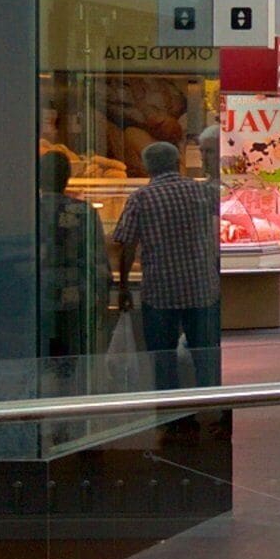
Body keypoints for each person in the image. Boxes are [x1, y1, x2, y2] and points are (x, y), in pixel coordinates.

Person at [111, 139, 220, 396]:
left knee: (163, 359)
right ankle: (211, 407)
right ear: (177, 163)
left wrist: (123, 286)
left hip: (160, 292)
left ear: (147, 168)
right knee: (206, 356)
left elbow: (125, 244)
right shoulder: (202, 192)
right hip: (202, 288)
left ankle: (174, 418)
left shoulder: (141, 198)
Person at [36, 149, 106, 392]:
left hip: (39, 296)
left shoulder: (28, 212)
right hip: (75, 296)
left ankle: (45, 410)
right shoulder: (84, 211)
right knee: (70, 361)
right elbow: (98, 257)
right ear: (66, 178)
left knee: (41, 360)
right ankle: (65, 415)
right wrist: (101, 296)